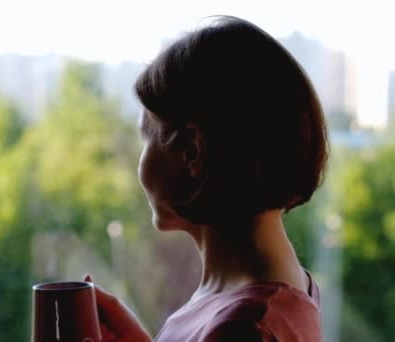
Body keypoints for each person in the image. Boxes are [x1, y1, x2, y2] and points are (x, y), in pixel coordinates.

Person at [85, 16, 328, 341]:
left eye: (146, 136)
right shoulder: (275, 292)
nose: (140, 161)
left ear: (191, 151)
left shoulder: (247, 327)